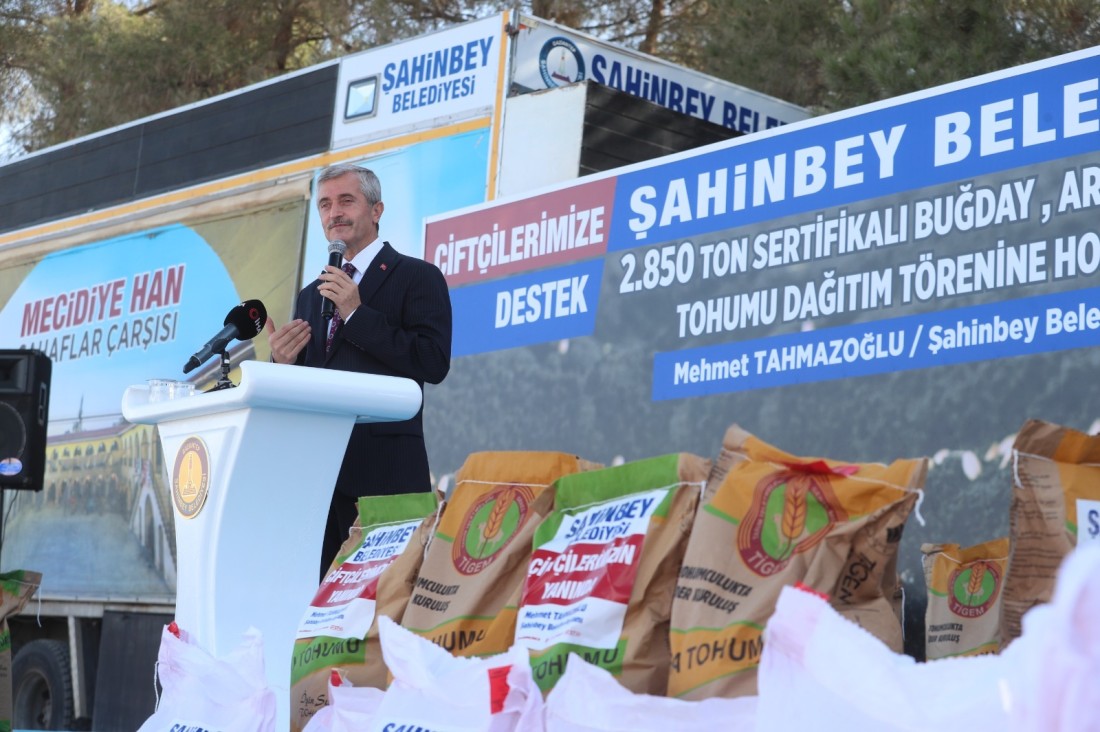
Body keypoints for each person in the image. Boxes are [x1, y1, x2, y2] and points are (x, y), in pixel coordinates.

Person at [266, 163, 451, 580]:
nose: (335, 213)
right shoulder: (311, 296)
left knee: (388, 604)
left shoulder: (417, 276)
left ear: (376, 210)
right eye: (325, 205)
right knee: (325, 610)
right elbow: (309, 388)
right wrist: (282, 363)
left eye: (346, 201)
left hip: (388, 475)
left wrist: (356, 315)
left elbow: (432, 362)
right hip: (323, 483)